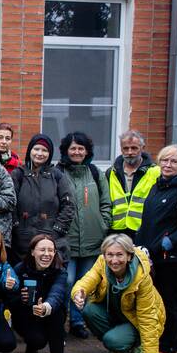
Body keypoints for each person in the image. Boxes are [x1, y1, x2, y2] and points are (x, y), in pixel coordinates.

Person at [135, 144, 177, 353]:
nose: (168, 165)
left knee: (169, 304)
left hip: (172, 260)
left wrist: (165, 243)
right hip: (151, 257)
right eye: (164, 160)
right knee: (153, 302)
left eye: (174, 162)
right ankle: (154, 343)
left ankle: (169, 348)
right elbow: (148, 222)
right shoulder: (156, 187)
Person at [71, 234, 164, 353]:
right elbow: (88, 279)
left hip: (137, 321)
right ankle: (118, 349)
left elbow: (148, 317)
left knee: (113, 340)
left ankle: (134, 346)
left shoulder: (141, 277)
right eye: (110, 255)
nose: (114, 260)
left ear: (129, 256)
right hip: (118, 313)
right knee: (89, 310)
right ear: (104, 255)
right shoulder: (102, 262)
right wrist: (79, 292)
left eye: (120, 255)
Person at [58, 131, 111, 340]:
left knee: (85, 282)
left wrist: (103, 224)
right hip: (67, 241)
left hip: (92, 240)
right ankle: (60, 320)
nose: (77, 152)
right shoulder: (58, 173)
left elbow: (106, 202)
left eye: (81, 148)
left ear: (87, 151)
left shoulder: (96, 173)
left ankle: (78, 321)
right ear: (66, 151)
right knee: (67, 281)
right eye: (73, 148)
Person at [7, 234, 68, 353]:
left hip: (49, 314)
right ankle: (32, 347)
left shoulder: (60, 271)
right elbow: (9, 299)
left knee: (58, 312)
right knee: (37, 340)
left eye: (50, 250)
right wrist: (19, 297)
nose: (46, 254)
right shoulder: (20, 269)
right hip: (26, 317)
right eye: (42, 250)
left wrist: (46, 307)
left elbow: (57, 293)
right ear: (33, 251)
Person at [9, 132, 74, 263]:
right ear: (30, 151)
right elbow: (11, 204)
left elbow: (69, 206)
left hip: (51, 241)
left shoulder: (57, 176)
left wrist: (56, 231)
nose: (40, 153)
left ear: (49, 154)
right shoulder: (18, 174)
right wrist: (17, 229)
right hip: (22, 243)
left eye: (44, 150)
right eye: (36, 149)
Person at [106, 130, 158, 239]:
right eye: (126, 148)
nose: (129, 152)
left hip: (144, 230)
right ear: (121, 149)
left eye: (134, 148)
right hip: (116, 230)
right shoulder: (111, 172)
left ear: (142, 148)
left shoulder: (155, 172)